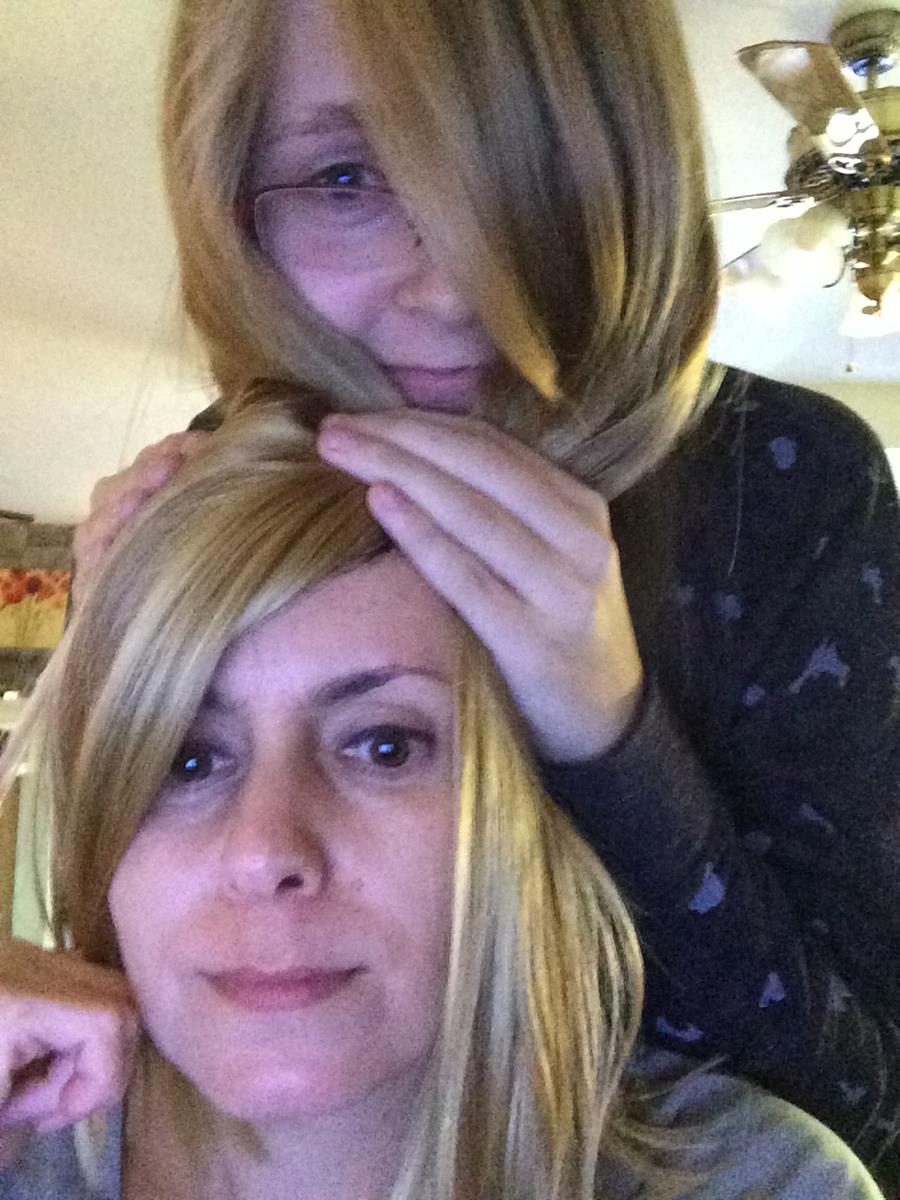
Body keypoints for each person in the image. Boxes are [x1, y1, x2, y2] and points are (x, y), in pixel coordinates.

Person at [71, 0, 900, 1187]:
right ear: (229, 202)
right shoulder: (209, 487)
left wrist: (609, 736)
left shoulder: (786, 486)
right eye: (348, 178)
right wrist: (118, 688)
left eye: (536, 177)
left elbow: (855, 1113)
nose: (461, 294)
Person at [0, 398, 886, 1199]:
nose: (266, 853)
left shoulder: (770, 1183)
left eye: (384, 747)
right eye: (187, 761)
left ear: (521, 815)